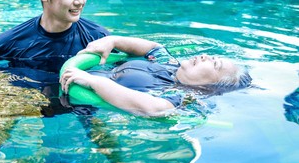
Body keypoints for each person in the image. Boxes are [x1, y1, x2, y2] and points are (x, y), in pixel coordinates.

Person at [60, 36, 252, 117]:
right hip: (72, 77)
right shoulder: (169, 64)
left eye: (213, 63)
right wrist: (113, 40)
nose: (204, 56)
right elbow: (153, 47)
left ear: (212, 85)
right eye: (211, 56)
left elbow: (154, 108)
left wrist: (94, 82)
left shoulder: (180, 95)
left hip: (78, 105)